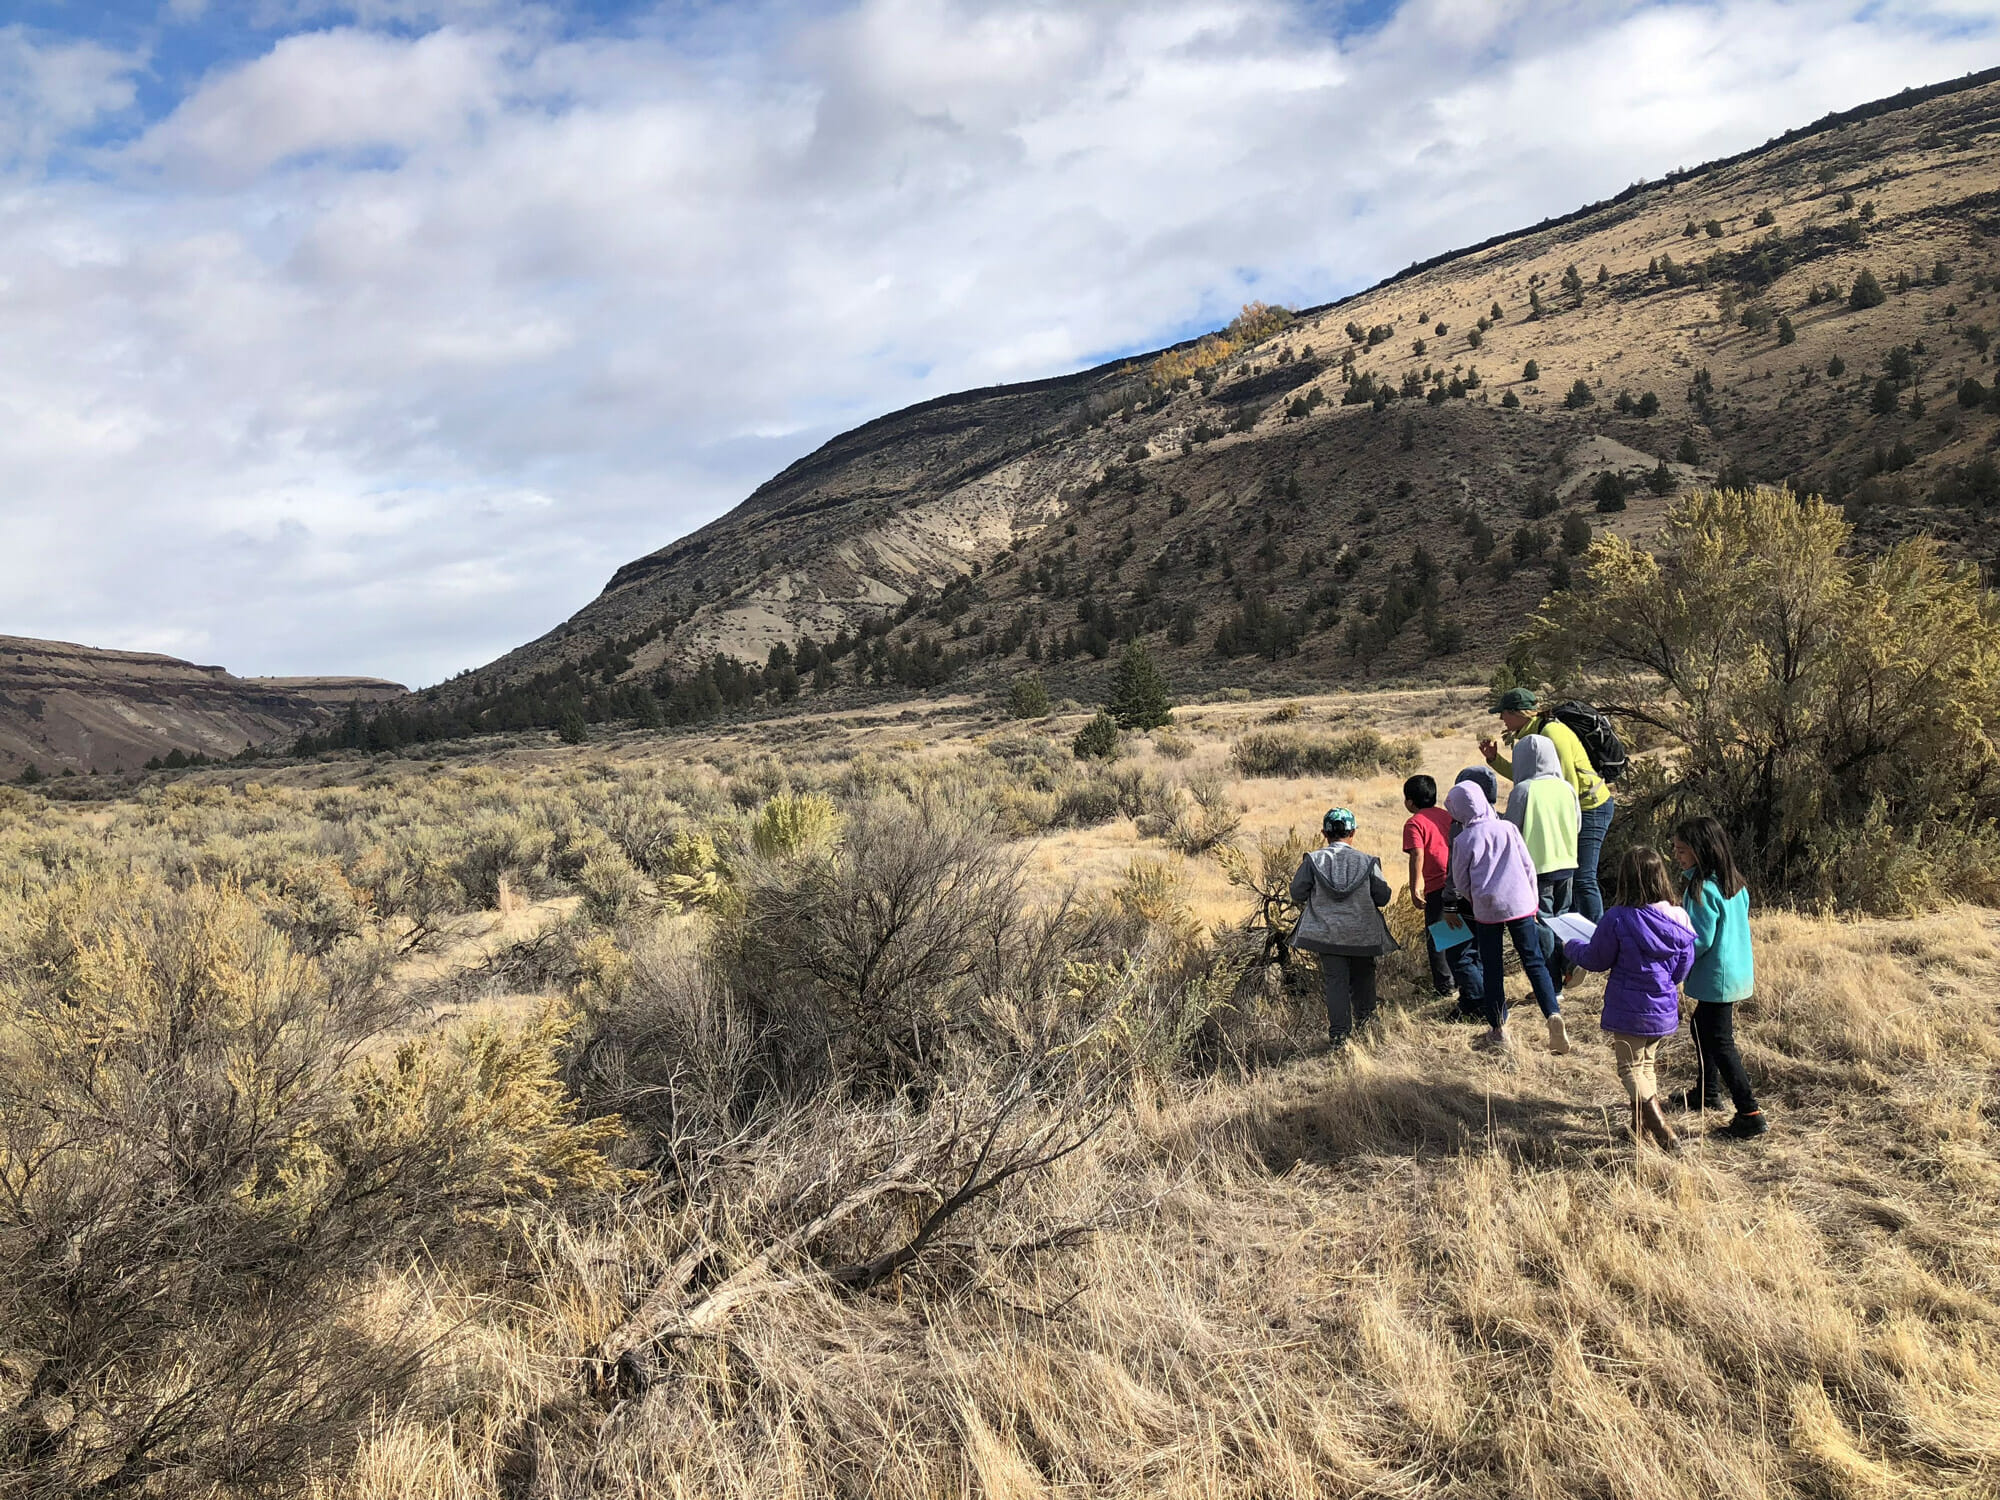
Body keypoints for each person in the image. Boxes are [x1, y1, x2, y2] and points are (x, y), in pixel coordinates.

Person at [1562, 847, 1695, 1152]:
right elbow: (1683, 966)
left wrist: (1571, 947)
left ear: (1625, 879)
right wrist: (1664, 982)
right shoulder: (1679, 917)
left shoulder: (1619, 918)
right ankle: (1640, 1130)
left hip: (1629, 1008)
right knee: (1646, 1066)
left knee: (1630, 1070)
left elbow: (1596, 959)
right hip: (1663, 1007)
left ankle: (1661, 1129)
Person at [1444, 781, 1564, 1053]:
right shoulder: (1508, 828)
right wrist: (1532, 902)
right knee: (1534, 961)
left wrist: (1475, 899)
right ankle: (1553, 1013)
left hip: (1487, 908)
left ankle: (1499, 1029)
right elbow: (1528, 866)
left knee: (1492, 968)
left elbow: (1461, 881)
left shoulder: (1463, 839)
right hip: (1521, 903)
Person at [1480, 687, 1615, 921]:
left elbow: (1565, 787)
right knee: (1571, 879)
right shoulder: (1536, 734)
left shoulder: (1551, 733)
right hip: (1578, 807)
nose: (1501, 718)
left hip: (1590, 808)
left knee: (1583, 879)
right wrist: (1495, 760)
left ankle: (1598, 940)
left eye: (1504, 713)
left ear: (1519, 713)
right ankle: (1574, 941)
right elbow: (1530, 776)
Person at [1670, 816, 1767, 1138]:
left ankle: (1749, 1112)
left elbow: (1699, 940)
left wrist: (1673, 963)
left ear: (1700, 850)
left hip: (1716, 978)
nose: (1676, 855)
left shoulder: (1702, 889)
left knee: (1721, 1042)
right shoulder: (1733, 883)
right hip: (1735, 973)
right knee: (1702, 1028)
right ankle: (1707, 1093)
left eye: (1681, 849)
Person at [1290, 807, 1399, 1048]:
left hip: (1327, 935)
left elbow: (1296, 892)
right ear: (1353, 833)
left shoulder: (1313, 860)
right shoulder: (1368, 861)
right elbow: (1382, 897)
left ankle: (1339, 1036)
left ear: (1324, 833)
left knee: (1335, 982)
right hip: (1363, 934)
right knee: (1363, 978)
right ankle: (1368, 1026)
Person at [1503, 732, 1582, 1036]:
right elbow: (1576, 824)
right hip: (1567, 861)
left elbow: (1512, 829)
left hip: (1537, 867)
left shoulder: (1523, 790)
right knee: (1563, 919)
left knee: (1544, 924)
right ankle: (1571, 962)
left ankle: (1551, 985)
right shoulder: (1566, 788)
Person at [1439, 767, 1496, 1021]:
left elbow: (1455, 870)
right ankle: (1481, 997)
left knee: (1456, 953)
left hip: (1462, 901)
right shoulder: (1499, 820)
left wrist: (1448, 904)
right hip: (1491, 901)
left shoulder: (1460, 827)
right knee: (1481, 953)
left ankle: (1475, 1002)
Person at [1402, 774, 1456, 998]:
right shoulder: (1447, 816)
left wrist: (1415, 887)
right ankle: (1461, 979)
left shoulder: (1415, 823)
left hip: (1438, 884)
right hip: (1459, 879)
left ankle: (1445, 988)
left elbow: (1417, 854)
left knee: (1438, 936)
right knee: (1457, 932)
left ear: (1410, 802)